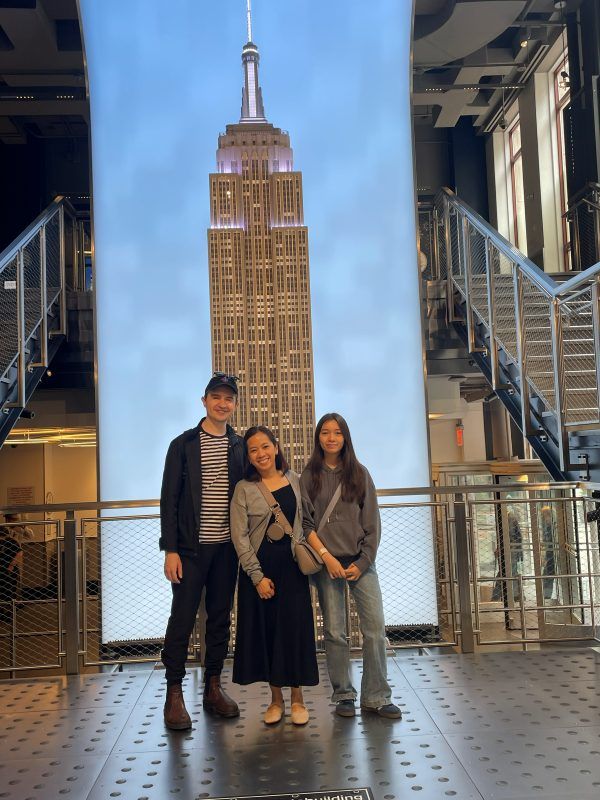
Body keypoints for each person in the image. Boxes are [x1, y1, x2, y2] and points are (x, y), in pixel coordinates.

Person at [300, 413, 401, 720]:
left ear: (345, 437)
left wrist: (364, 561)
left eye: (337, 432)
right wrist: (326, 558)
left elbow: (372, 523)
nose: (331, 438)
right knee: (334, 632)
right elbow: (305, 524)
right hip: (325, 563)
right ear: (318, 437)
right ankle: (343, 694)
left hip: (361, 562)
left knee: (375, 629)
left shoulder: (359, 473)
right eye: (325, 432)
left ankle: (376, 696)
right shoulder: (309, 476)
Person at [159, 372, 246, 730]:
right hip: (190, 552)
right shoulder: (183, 445)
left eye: (229, 398)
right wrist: (170, 550)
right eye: (216, 397)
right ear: (204, 401)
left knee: (220, 619)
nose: (222, 404)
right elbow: (169, 500)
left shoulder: (239, 446)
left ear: (235, 404)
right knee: (181, 620)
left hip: (227, 550)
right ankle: (174, 692)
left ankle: (213, 686)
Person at [230, 426, 318, 725]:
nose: (261, 454)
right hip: (260, 570)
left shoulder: (294, 479)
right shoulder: (243, 488)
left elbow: (306, 521)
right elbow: (239, 536)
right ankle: (275, 700)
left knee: (294, 631)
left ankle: (298, 699)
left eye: (265, 446)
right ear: (248, 456)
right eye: (253, 450)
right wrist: (256, 576)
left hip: (292, 568)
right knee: (267, 633)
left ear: (276, 447)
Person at [0, 522, 22, 624]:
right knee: (4, 592)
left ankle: (9, 613)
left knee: (9, 591)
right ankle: (3, 612)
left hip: (9, 570)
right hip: (5, 569)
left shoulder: (11, 542)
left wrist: (11, 565)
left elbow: (19, 553)